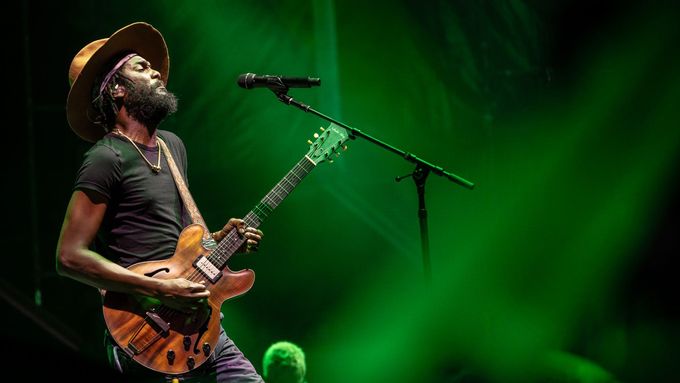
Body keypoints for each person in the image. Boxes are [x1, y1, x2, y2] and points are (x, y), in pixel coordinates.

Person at [56, 22, 265, 382]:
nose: (155, 70)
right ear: (118, 90)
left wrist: (221, 239)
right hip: (147, 330)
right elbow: (69, 256)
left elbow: (176, 244)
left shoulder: (172, 147)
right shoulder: (106, 157)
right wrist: (160, 288)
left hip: (200, 327)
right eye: (141, 68)